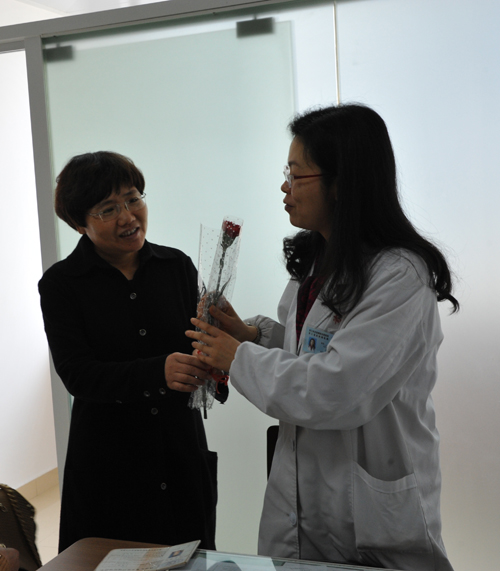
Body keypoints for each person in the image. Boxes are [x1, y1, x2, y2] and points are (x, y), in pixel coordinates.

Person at [183, 105, 457, 571]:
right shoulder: (320, 258)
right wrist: (250, 336)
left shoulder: (400, 275)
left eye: (295, 175)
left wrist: (237, 357)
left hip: (371, 511)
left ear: (341, 182)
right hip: (304, 496)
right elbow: (308, 351)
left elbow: (338, 388)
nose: (284, 187)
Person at [38, 152, 218, 552]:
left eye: (133, 199)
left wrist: (215, 363)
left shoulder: (176, 266)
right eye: (108, 209)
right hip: (111, 466)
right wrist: (158, 372)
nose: (128, 216)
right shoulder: (62, 284)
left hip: (180, 456)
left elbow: (200, 344)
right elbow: (77, 374)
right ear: (80, 223)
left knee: (191, 558)